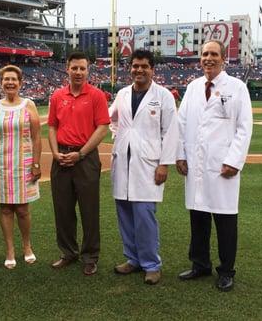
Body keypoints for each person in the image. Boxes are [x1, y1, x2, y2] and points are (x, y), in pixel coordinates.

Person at [176, 40, 253, 292]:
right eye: (205, 54)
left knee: (225, 221)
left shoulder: (237, 87)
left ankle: (226, 270)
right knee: (198, 217)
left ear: (223, 59)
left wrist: (234, 160)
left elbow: (244, 128)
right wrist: (181, 155)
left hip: (222, 166)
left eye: (213, 54)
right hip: (196, 164)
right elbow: (181, 123)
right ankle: (200, 264)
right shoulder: (193, 87)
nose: (208, 58)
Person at [108, 49, 179, 285]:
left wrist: (164, 164)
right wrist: (116, 135)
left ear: (152, 69)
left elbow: (170, 132)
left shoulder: (163, 96)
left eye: (144, 66)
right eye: (135, 66)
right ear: (130, 68)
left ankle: (151, 264)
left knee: (144, 215)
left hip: (148, 163)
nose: (139, 70)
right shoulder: (122, 93)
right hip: (123, 161)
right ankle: (132, 259)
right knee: (125, 213)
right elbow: (112, 118)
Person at [47, 51, 110, 276]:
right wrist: (55, 153)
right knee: (62, 209)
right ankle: (68, 252)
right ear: (67, 68)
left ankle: (90, 256)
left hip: (85, 158)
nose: (79, 72)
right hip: (61, 157)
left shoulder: (96, 95)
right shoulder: (57, 95)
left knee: (89, 209)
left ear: (88, 70)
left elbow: (102, 127)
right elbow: (52, 126)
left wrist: (81, 153)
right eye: (75, 68)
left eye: (83, 68)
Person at [0, 65, 42, 269]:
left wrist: (35, 163)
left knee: (23, 209)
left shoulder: (29, 104)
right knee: (5, 208)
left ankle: (26, 246)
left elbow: (36, 137)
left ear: (20, 82)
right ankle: (10, 250)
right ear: (1, 83)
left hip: (23, 163)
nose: (10, 82)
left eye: (14, 79)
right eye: (6, 79)